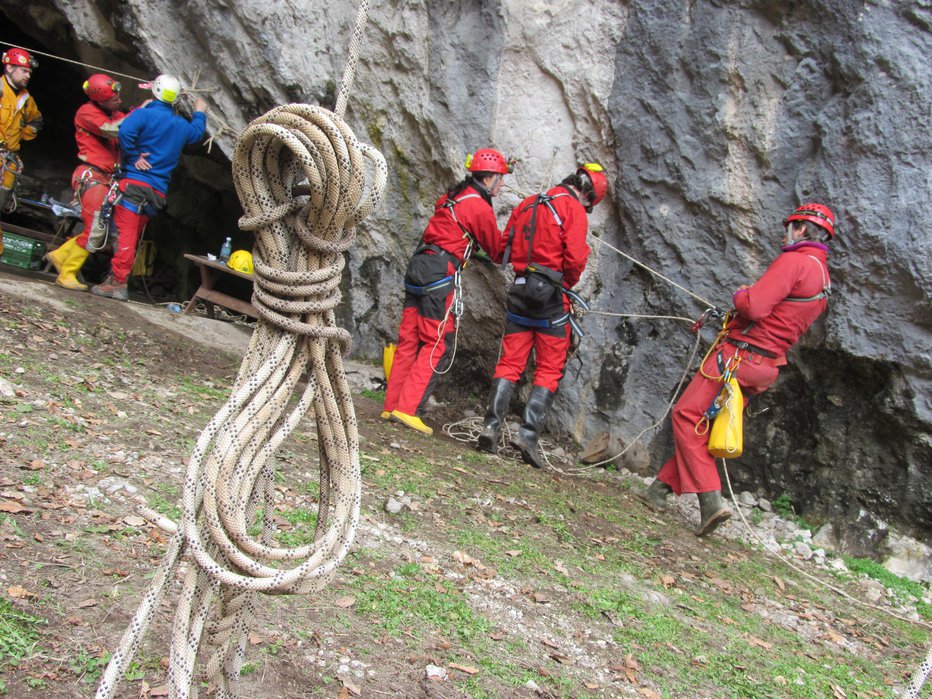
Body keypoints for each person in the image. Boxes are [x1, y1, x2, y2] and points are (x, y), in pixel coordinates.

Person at [639, 203, 836, 537]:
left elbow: (755, 305)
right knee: (703, 424)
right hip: (763, 366)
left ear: (801, 229)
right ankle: (659, 490)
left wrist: (741, 295)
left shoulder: (795, 261)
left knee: (687, 416)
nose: (784, 233)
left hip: (737, 358)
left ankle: (711, 504)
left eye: (789, 228)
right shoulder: (823, 277)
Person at [477, 163, 609, 468]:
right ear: (588, 195)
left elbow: (503, 247)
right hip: (549, 298)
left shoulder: (527, 203)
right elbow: (574, 261)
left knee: (510, 362)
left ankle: (490, 427)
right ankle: (527, 435)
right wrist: (568, 283)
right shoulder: (573, 209)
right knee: (549, 367)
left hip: (520, 291)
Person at [382, 148, 513, 436]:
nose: (502, 184)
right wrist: (517, 231)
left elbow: (451, 234)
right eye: (501, 178)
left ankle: (392, 405)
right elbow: (497, 251)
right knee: (437, 343)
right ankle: (408, 410)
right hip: (440, 273)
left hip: (419, 266)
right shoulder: (479, 206)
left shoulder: (452, 197)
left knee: (409, 341)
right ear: (489, 178)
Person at [90, 74, 206, 301]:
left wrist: (133, 156)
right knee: (131, 236)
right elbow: (196, 134)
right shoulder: (181, 125)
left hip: (134, 185)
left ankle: (118, 282)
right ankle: (115, 277)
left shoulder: (144, 115)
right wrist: (200, 112)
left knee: (126, 234)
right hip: (156, 193)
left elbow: (124, 131)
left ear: (155, 92)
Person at [45, 74, 128, 290]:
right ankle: (67, 273)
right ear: (100, 100)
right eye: (113, 98)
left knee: (103, 230)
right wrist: (139, 114)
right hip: (93, 176)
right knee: (95, 230)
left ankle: (61, 255)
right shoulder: (87, 113)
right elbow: (111, 129)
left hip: (109, 180)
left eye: (118, 96)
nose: (118, 100)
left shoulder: (117, 114)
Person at [0, 47, 42, 257]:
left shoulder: (26, 98)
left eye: (29, 73)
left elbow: (36, 120)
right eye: (24, 71)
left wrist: (21, 135)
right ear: (9, 67)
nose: (28, 75)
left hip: (8, 161)